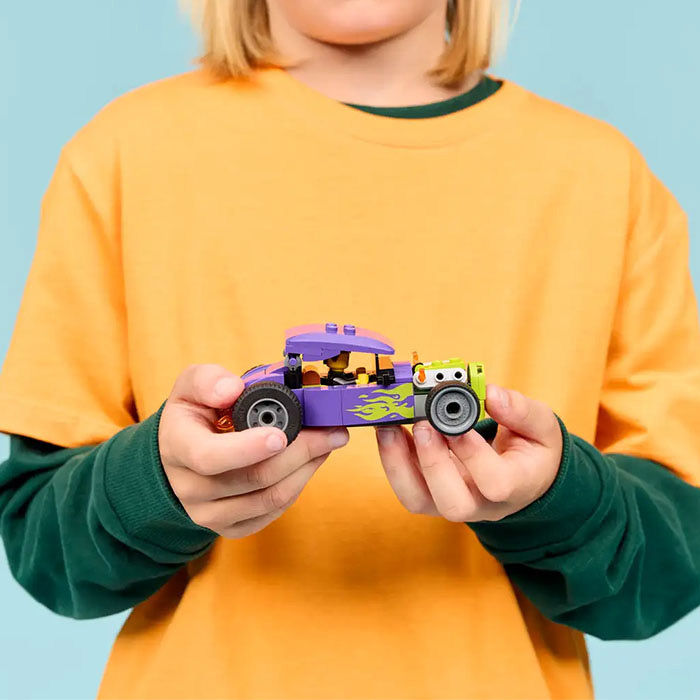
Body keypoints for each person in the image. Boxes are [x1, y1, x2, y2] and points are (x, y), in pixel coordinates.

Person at [1, 1, 700, 698]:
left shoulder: (603, 178)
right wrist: (154, 485)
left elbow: (671, 570)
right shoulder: (127, 153)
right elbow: (46, 553)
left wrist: (555, 499)